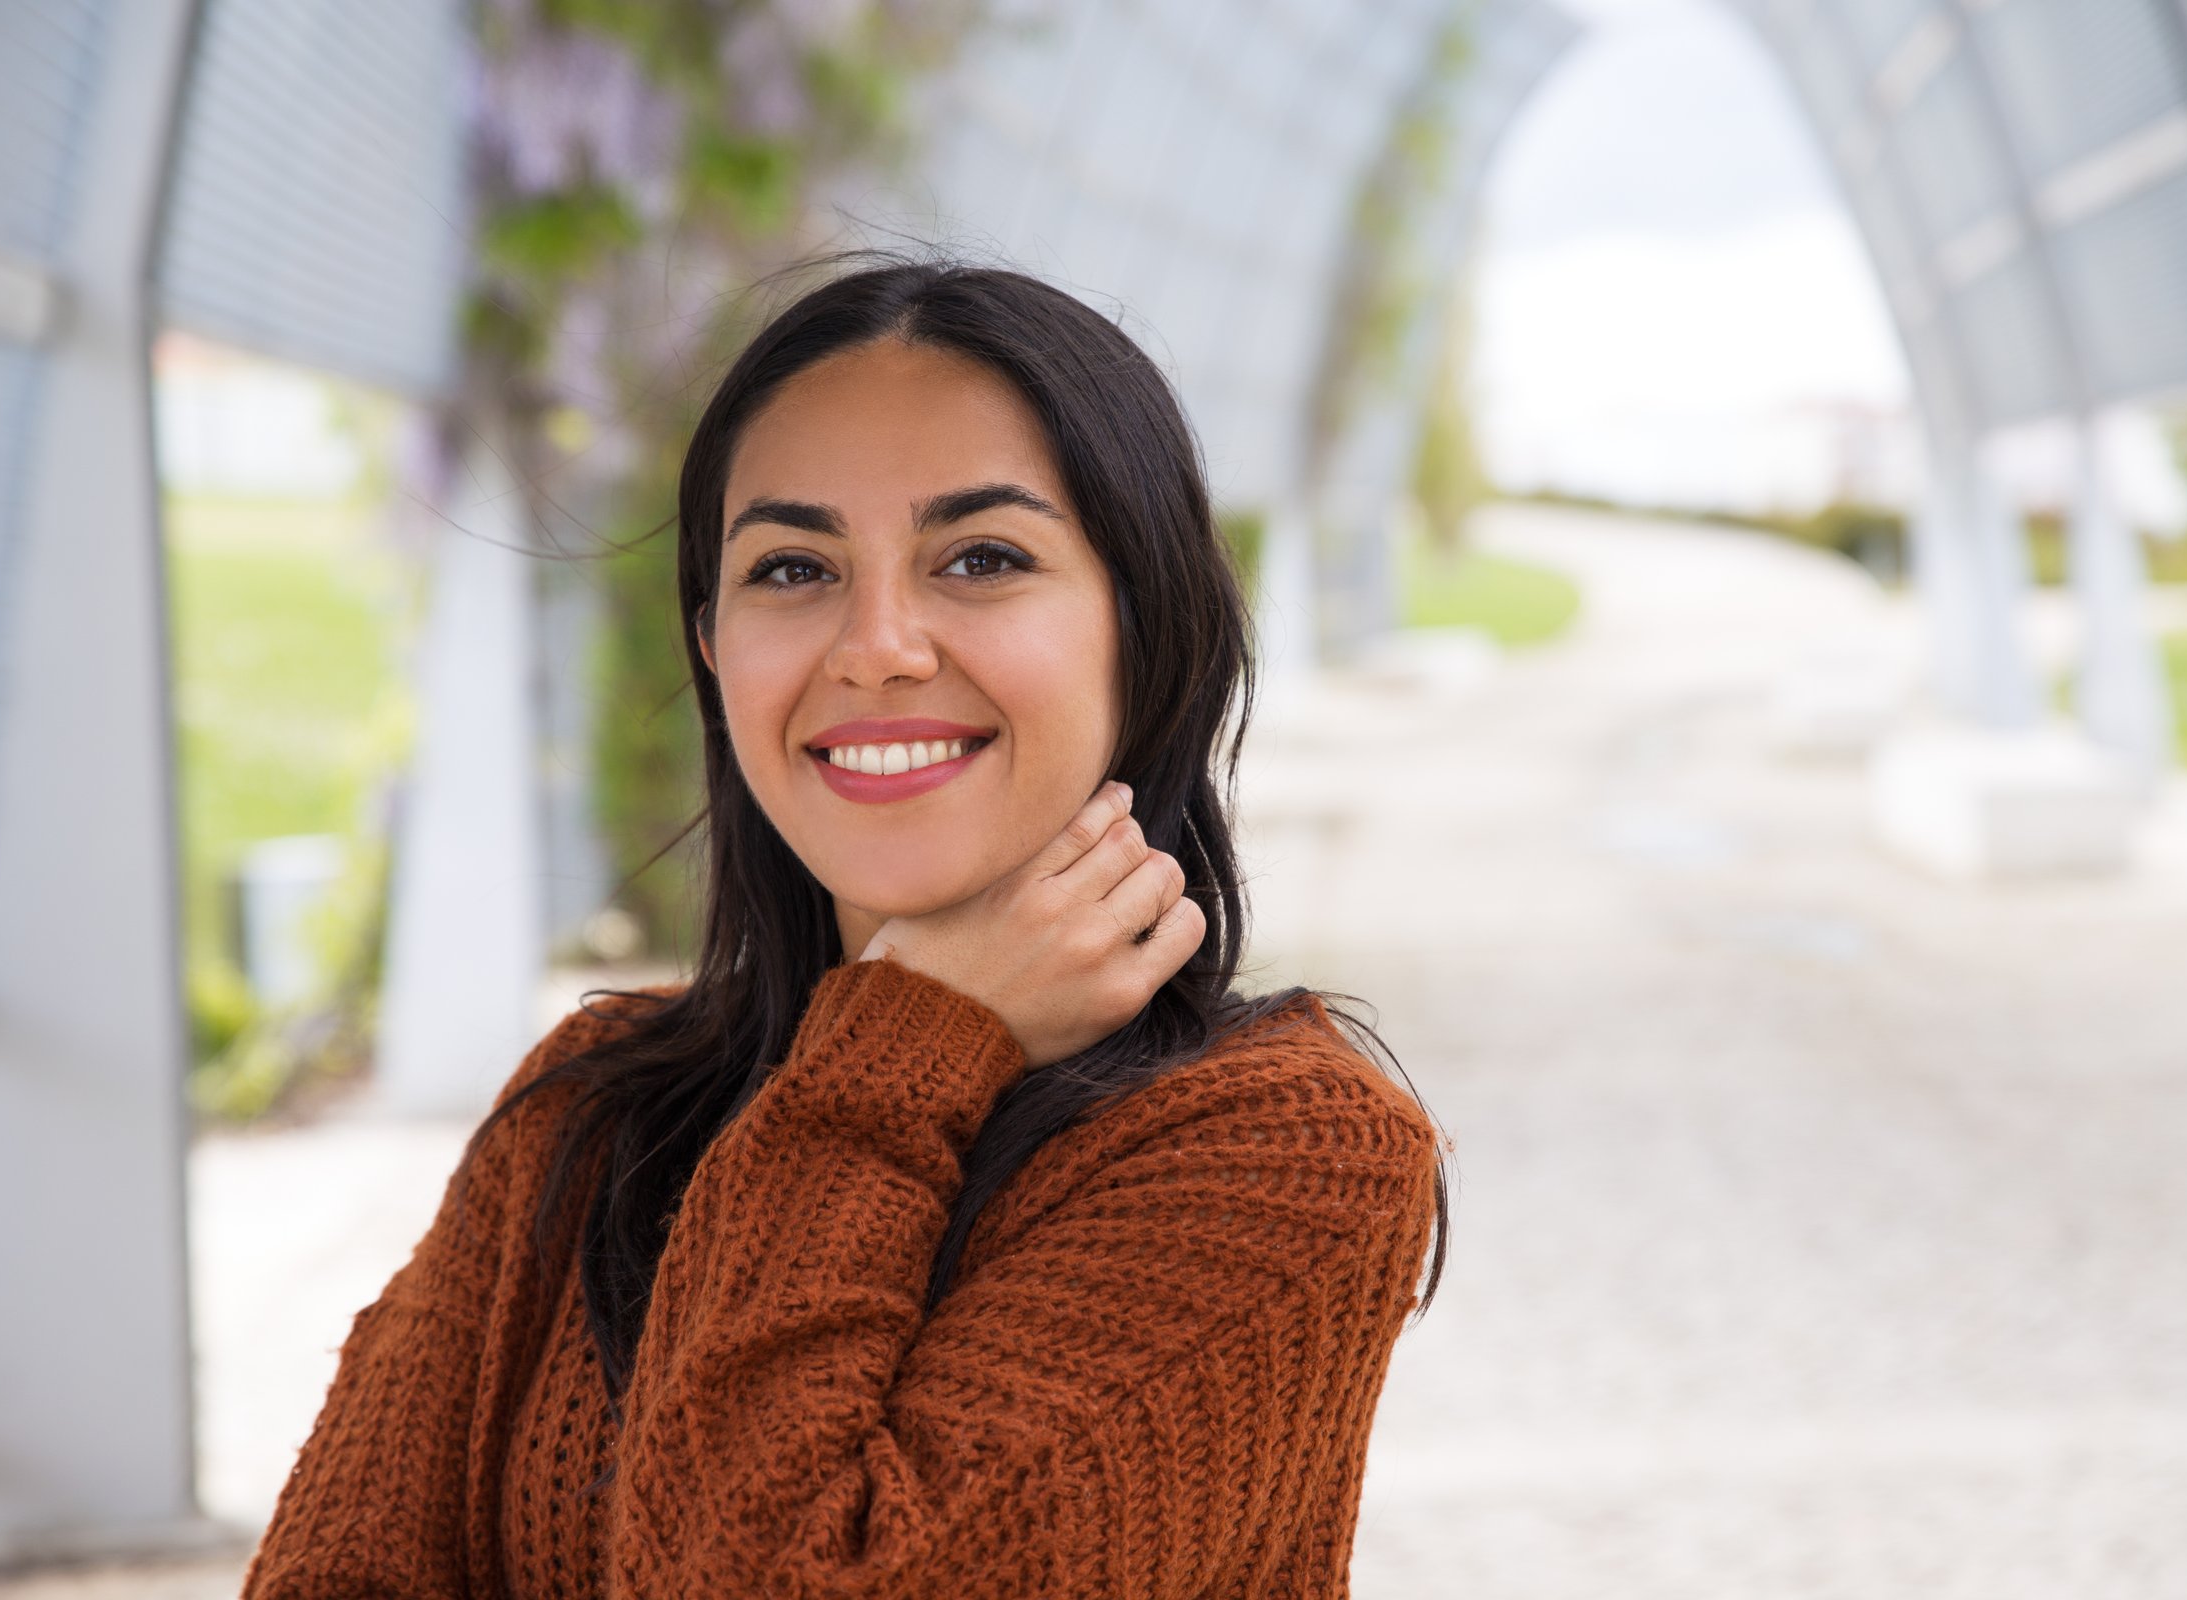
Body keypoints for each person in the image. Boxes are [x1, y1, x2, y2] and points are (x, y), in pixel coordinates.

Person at [240, 253, 1451, 1599]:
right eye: (793, 566)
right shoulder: (584, 1118)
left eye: (983, 558)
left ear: (1144, 620)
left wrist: (906, 1049)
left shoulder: (1285, 1154)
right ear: (713, 645)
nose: (877, 645)